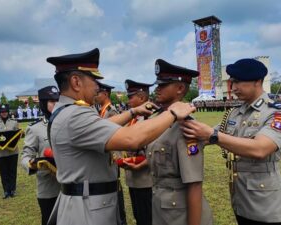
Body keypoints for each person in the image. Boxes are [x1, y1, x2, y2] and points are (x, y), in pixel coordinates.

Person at [46, 48, 195, 225]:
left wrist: (132, 112)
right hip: (87, 211)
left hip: (86, 203)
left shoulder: (65, 111)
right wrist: (172, 112)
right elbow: (132, 139)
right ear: (76, 82)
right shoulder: (75, 115)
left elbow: (102, 127)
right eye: (94, 80)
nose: (97, 87)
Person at [181, 58, 281, 225]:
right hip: (241, 200)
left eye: (238, 82)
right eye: (232, 82)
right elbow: (205, 136)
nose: (233, 88)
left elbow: (260, 149)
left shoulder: (277, 113)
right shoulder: (235, 113)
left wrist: (212, 135)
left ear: (257, 81)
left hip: (267, 205)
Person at [147, 59, 213, 225]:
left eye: (163, 85)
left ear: (180, 88)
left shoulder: (186, 127)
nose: (157, 89)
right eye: (158, 84)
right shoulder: (159, 120)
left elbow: (194, 184)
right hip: (162, 208)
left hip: (179, 214)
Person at [21, 86, 60, 225]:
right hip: (49, 188)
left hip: (71, 187)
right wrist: (33, 164)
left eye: (58, 100)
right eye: (52, 101)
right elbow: (26, 156)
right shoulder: (35, 129)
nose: (56, 104)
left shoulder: (67, 124)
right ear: (43, 103)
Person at [120, 79, 153, 225]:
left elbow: (157, 150)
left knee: (148, 219)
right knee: (140, 217)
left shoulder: (152, 117)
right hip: (134, 178)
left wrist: (142, 164)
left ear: (141, 97)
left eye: (130, 96)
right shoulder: (134, 117)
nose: (128, 100)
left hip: (147, 180)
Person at [94, 81, 127, 225]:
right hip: (106, 157)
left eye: (98, 93)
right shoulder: (101, 111)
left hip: (113, 157)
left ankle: (121, 219)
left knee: (115, 189)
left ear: (105, 94)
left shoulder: (111, 111)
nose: (96, 96)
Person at [0, 104, 20, 199]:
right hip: (1, 153)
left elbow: (19, 134)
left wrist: (22, 133)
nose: (4, 113)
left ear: (8, 112)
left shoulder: (14, 122)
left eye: (5, 111)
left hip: (13, 151)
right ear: (0, 113)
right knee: (3, 172)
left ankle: (13, 190)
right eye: (2, 112)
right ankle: (6, 191)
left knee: (12, 171)